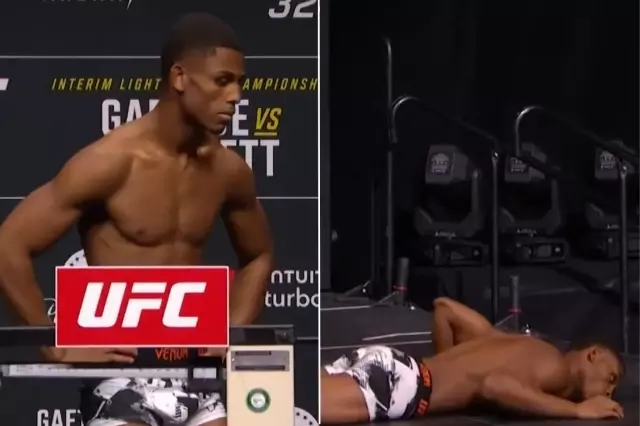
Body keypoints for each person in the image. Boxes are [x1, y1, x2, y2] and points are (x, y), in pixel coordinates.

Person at [0, 13, 273, 426]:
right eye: (222, 81)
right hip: (121, 374)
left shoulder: (228, 171)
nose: (235, 96)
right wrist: (56, 346)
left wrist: (232, 330)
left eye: (239, 83)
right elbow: (9, 245)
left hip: (191, 370)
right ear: (179, 78)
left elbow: (259, 255)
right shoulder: (110, 162)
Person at [321, 297, 625, 423]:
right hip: (402, 384)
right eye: (611, 378)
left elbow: (445, 309)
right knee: (296, 408)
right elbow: (496, 385)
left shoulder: (507, 342)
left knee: (295, 398)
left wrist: (445, 369)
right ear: (593, 354)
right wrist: (577, 410)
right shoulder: (558, 370)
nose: (609, 392)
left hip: (390, 363)